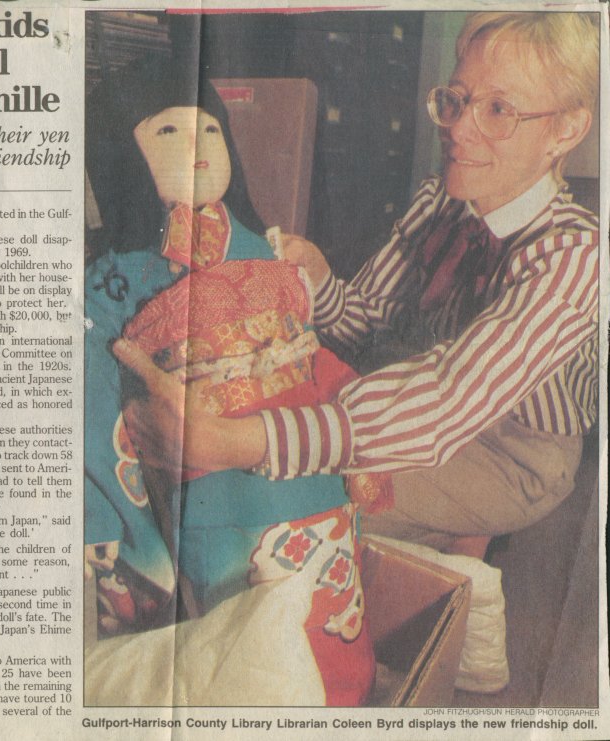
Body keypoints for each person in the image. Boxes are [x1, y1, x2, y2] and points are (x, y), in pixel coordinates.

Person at [113, 11, 599, 554]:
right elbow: (366, 319)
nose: (458, 129)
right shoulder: (442, 198)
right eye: (457, 100)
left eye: (498, 109)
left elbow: (446, 401)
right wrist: (319, 282)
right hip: (406, 395)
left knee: (286, 499)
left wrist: (237, 442)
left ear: (565, 130)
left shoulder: (578, 255)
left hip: (510, 453)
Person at [85, 55, 382, 705]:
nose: (194, 147)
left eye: (209, 130)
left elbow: (311, 351)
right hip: (205, 471)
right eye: (167, 133)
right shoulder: (109, 280)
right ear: (119, 150)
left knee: (332, 605)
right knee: (239, 633)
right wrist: (122, 530)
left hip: (305, 456)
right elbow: (96, 409)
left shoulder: (272, 248)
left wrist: (355, 439)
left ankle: (348, 701)